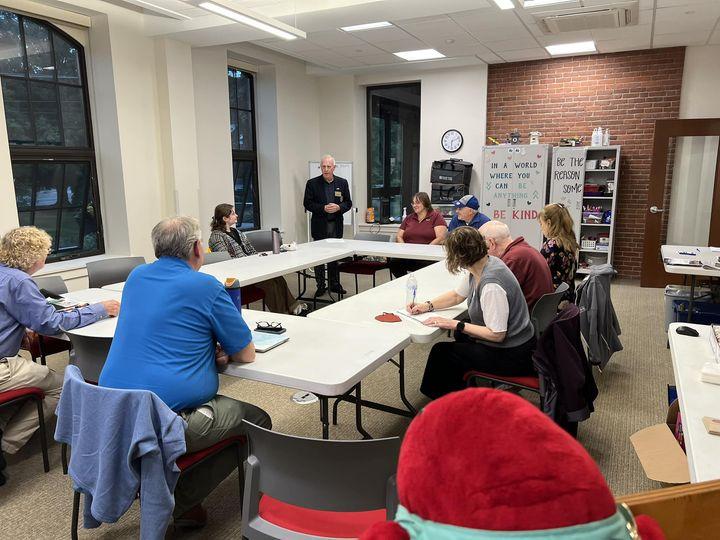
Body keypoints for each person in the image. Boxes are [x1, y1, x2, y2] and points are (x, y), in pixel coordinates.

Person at [99, 216, 271, 529]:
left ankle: (172, 491)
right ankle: (181, 500)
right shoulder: (205, 285)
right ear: (196, 248)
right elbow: (245, 353)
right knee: (257, 422)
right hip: (166, 420)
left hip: (115, 413)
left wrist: (202, 346)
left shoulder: (136, 277)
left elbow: (165, 329)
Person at [0, 226, 119, 457]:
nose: (47, 255)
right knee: (64, 386)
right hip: (3, 366)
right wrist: (100, 309)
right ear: (34, 256)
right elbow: (51, 324)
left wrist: (21, 325)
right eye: (45, 250)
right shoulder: (19, 281)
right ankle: (6, 445)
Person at [409, 227, 536, 400]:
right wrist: (427, 305)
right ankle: (462, 397)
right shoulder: (486, 263)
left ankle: (447, 407)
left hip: (513, 355)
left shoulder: (491, 284)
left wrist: (455, 323)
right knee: (460, 339)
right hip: (516, 344)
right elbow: (456, 296)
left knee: (442, 352)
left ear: (459, 257)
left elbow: (497, 334)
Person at [208, 204, 306, 315]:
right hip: (238, 274)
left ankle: (293, 308)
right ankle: (284, 314)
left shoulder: (237, 232)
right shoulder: (216, 237)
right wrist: (250, 263)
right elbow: (226, 261)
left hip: (251, 268)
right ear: (225, 218)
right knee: (269, 283)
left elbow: (251, 250)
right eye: (233, 213)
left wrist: (259, 260)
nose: (237, 215)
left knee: (277, 277)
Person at [303, 154, 352, 297]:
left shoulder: (342, 183)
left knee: (334, 256)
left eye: (328, 166)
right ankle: (321, 285)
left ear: (334, 168)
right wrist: (323, 208)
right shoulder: (312, 183)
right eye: (323, 166)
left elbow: (348, 203)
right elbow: (307, 203)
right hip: (320, 225)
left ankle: (335, 284)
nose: (325, 169)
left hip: (335, 225)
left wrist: (339, 207)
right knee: (319, 257)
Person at [479, 220, 554, 308]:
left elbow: (496, 297)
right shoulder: (523, 249)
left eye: (485, 248)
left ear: (492, 243)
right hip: (539, 312)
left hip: (525, 316)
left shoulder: (512, 259)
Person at [389, 192, 447, 278]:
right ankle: (405, 283)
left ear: (426, 203)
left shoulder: (436, 217)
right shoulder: (409, 218)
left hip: (428, 255)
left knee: (428, 270)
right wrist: (403, 248)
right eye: (413, 203)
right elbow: (399, 236)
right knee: (394, 263)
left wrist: (425, 249)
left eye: (418, 203)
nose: (414, 205)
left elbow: (440, 237)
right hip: (409, 254)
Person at [538, 203, 579, 303]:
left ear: (548, 223)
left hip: (551, 301)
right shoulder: (570, 242)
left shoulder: (550, 245)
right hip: (568, 297)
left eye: (541, 224)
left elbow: (540, 274)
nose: (541, 228)